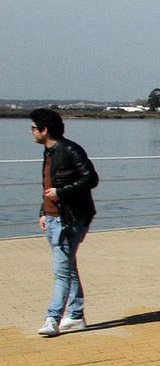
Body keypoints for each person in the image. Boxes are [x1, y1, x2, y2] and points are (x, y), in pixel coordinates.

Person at [31, 109, 98, 337]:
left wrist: (61, 192)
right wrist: (43, 210)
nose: (31, 132)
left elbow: (90, 178)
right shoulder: (48, 152)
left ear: (44, 130)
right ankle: (77, 315)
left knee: (61, 271)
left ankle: (53, 318)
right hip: (52, 217)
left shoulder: (69, 149)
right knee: (68, 267)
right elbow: (48, 184)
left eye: (33, 128)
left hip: (70, 218)